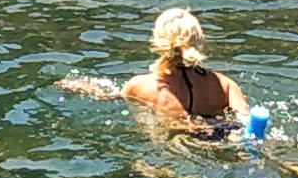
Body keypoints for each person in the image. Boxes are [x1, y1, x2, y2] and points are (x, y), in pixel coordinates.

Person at [64, 8, 253, 136]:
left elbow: (112, 98)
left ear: (157, 41)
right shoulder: (225, 85)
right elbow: (248, 124)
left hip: (175, 145)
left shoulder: (139, 86)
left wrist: (82, 86)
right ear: (199, 40)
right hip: (220, 138)